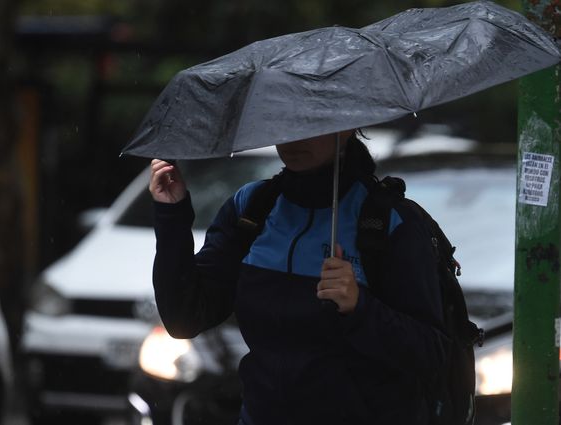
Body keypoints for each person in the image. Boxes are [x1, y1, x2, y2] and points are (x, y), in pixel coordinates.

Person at [148, 130, 449, 425]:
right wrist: (171, 215)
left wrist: (360, 308)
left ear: (345, 128)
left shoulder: (388, 222)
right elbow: (185, 318)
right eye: (283, 123)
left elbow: (433, 356)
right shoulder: (252, 208)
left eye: (311, 125)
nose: (293, 139)